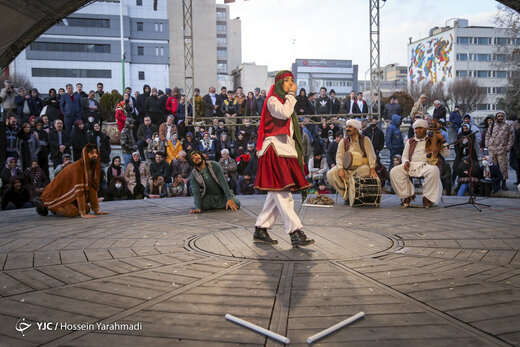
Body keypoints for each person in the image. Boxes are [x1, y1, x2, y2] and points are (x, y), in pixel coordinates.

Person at [253, 70, 314, 247]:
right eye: (287, 81)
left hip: (285, 151)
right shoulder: (273, 100)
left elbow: (291, 133)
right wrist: (292, 95)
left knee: (276, 192)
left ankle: (261, 228)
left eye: (292, 81)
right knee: (283, 193)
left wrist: (297, 156)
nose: (290, 84)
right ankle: (295, 231)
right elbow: (284, 113)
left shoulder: (285, 101)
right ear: (280, 84)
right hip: (274, 151)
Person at [34, 144, 109, 218]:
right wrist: (82, 213)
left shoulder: (92, 168)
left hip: (71, 195)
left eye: (96, 153)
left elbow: (92, 188)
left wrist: (96, 210)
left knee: (87, 209)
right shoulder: (78, 167)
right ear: (86, 154)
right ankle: (48, 205)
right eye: (92, 153)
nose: (95, 155)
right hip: (56, 195)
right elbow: (80, 191)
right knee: (72, 213)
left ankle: (60, 206)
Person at [390, 119, 450, 208]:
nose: (417, 130)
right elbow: (405, 155)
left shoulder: (433, 139)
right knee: (394, 171)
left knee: (434, 170)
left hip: (427, 165)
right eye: (416, 128)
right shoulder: (410, 141)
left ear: (425, 129)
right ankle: (408, 195)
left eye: (420, 128)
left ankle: (427, 198)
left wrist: (443, 142)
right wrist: (406, 162)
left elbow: (446, 154)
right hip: (412, 164)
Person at [327, 119, 378, 201]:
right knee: (330, 173)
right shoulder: (343, 142)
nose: (347, 129)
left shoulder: (365, 140)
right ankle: (346, 195)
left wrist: (372, 169)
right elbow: (339, 157)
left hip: (359, 170)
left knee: (365, 170)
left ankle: (350, 190)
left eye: (350, 127)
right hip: (346, 170)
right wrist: (340, 169)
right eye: (347, 127)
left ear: (356, 129)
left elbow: (371, 155)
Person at [486, 111, 514, 190]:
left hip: (502, 150)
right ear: (496, 117)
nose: (500, 118)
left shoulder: (508, 126)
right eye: (499, 116)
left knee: (503, 167)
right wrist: (487, 145)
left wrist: (508, 148)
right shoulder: (492, 125)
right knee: (493, 167)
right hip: (492, 149)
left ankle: (504, 183)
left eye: (502, 116)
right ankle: (494, 183)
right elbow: (487, 135)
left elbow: (511, 138)